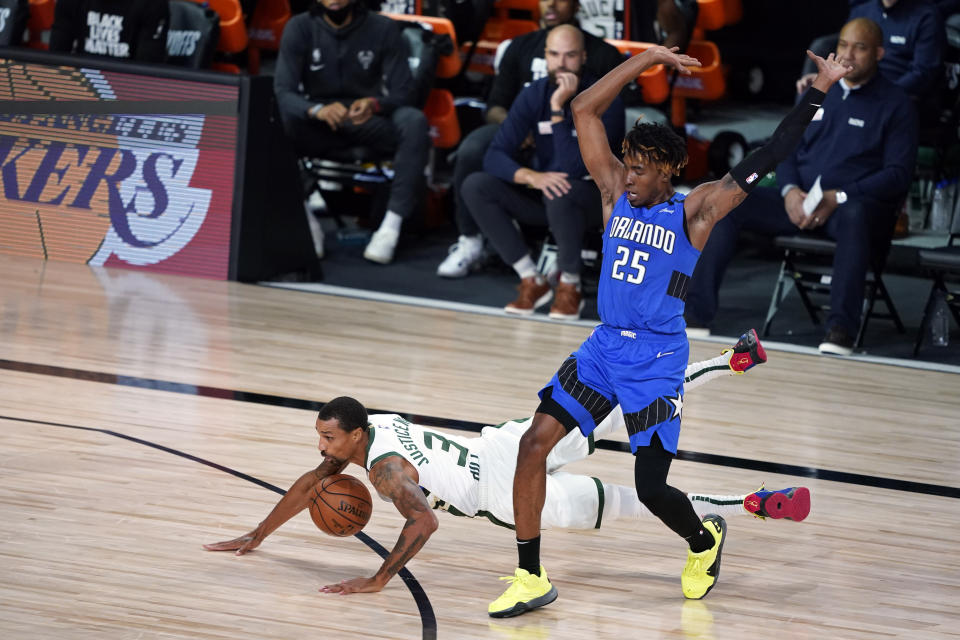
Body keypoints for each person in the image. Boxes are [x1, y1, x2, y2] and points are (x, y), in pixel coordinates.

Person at [487, 44, 851, 617]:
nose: (626, 174)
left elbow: (773, 150)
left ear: (666, 171)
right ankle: (529, 575)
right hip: (604, 348)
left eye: (638, 167)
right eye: (625, 163)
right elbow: (584, 110)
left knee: (654, 488)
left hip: (656, 361)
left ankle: (704, 542)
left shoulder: (695, 213)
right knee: (533, 447)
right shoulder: (613, 194)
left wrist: (820, 90)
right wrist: (650, 58)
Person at [204, 333, 809, 595]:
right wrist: (257, 534)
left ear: (355, 436)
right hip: (510, 445)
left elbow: (423, 523)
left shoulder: (384, 471)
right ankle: (728, 368)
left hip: (503, 496)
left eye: (329, 439)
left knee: (627, 505)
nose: (322, 448)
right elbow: (312, 482)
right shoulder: (375, 428)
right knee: (629, 414)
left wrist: (378, 578)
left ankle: (743, 507)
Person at [688, 18, 919, 356]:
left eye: (860, 47)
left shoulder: (897, 104)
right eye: (843, 45)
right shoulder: (819, 92)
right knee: (726, 204)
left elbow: (898, 175)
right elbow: (786, 146)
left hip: (848, 208)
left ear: (880, 53)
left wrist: (838, 196)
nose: (849, 54)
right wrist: (789, 191)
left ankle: (841, 329)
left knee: (856, 215)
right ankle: (695, 314)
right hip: (799, 202)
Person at [437, 0, 625, 278]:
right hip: (534, 146)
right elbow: (495, 110)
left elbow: (574, 166)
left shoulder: (603, 70)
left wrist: (556, 113)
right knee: (474, 159)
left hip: (585, 190)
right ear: (546, 55)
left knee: (562, 190)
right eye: (555, 55)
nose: (561, 63)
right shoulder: (527, 65)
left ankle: (569, 283)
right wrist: (528, 172)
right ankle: (486, 251)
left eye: (570, 56)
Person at [274, 0, 430, 265]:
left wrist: (375, 104)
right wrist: (315, 110)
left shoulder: (383, 28)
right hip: (321, 123)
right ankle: (306, 223)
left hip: (366, 121)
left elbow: (405, 92)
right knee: (276, 120)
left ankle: (390, 228)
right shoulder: (299, 27)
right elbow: (283, 91)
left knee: (413, 121)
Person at [796, 0, 944, 101]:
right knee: (811, 87)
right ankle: (791, 139)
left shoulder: (926, 16)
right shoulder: (862, 10)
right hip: (856, 84)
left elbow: (923, 73)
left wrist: (884, 93)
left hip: (892, 92)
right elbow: (846, 58)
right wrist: (829, 79)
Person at [49, 0, 169, 63]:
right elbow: (56, 57)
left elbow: (147, 69)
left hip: (129, 87)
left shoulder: (154, 4)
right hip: (81, 82)